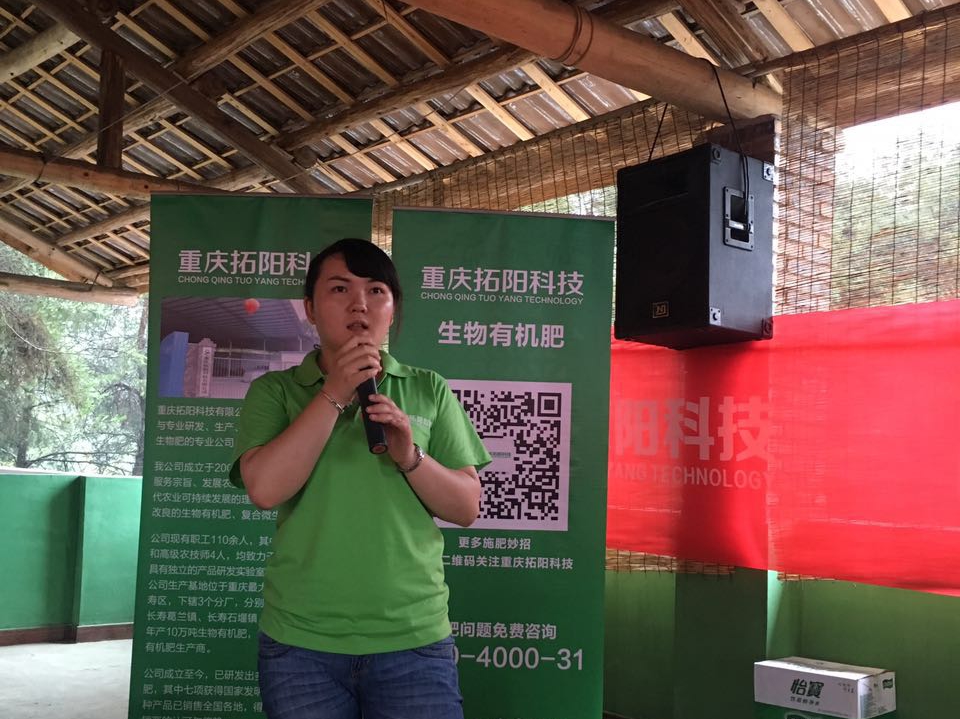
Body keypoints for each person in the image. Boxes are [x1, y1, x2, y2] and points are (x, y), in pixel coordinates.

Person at [230, 238, 491, 719]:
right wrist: (334, 392)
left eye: (376, 290)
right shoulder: (275, 391)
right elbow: (264, 490)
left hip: (413, 638)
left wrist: (409, 454)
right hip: (301, 644)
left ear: (393, 308)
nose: (359, 304)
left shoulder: (428, 388)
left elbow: (466, 507)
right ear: (310, 308)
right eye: (339, 289)